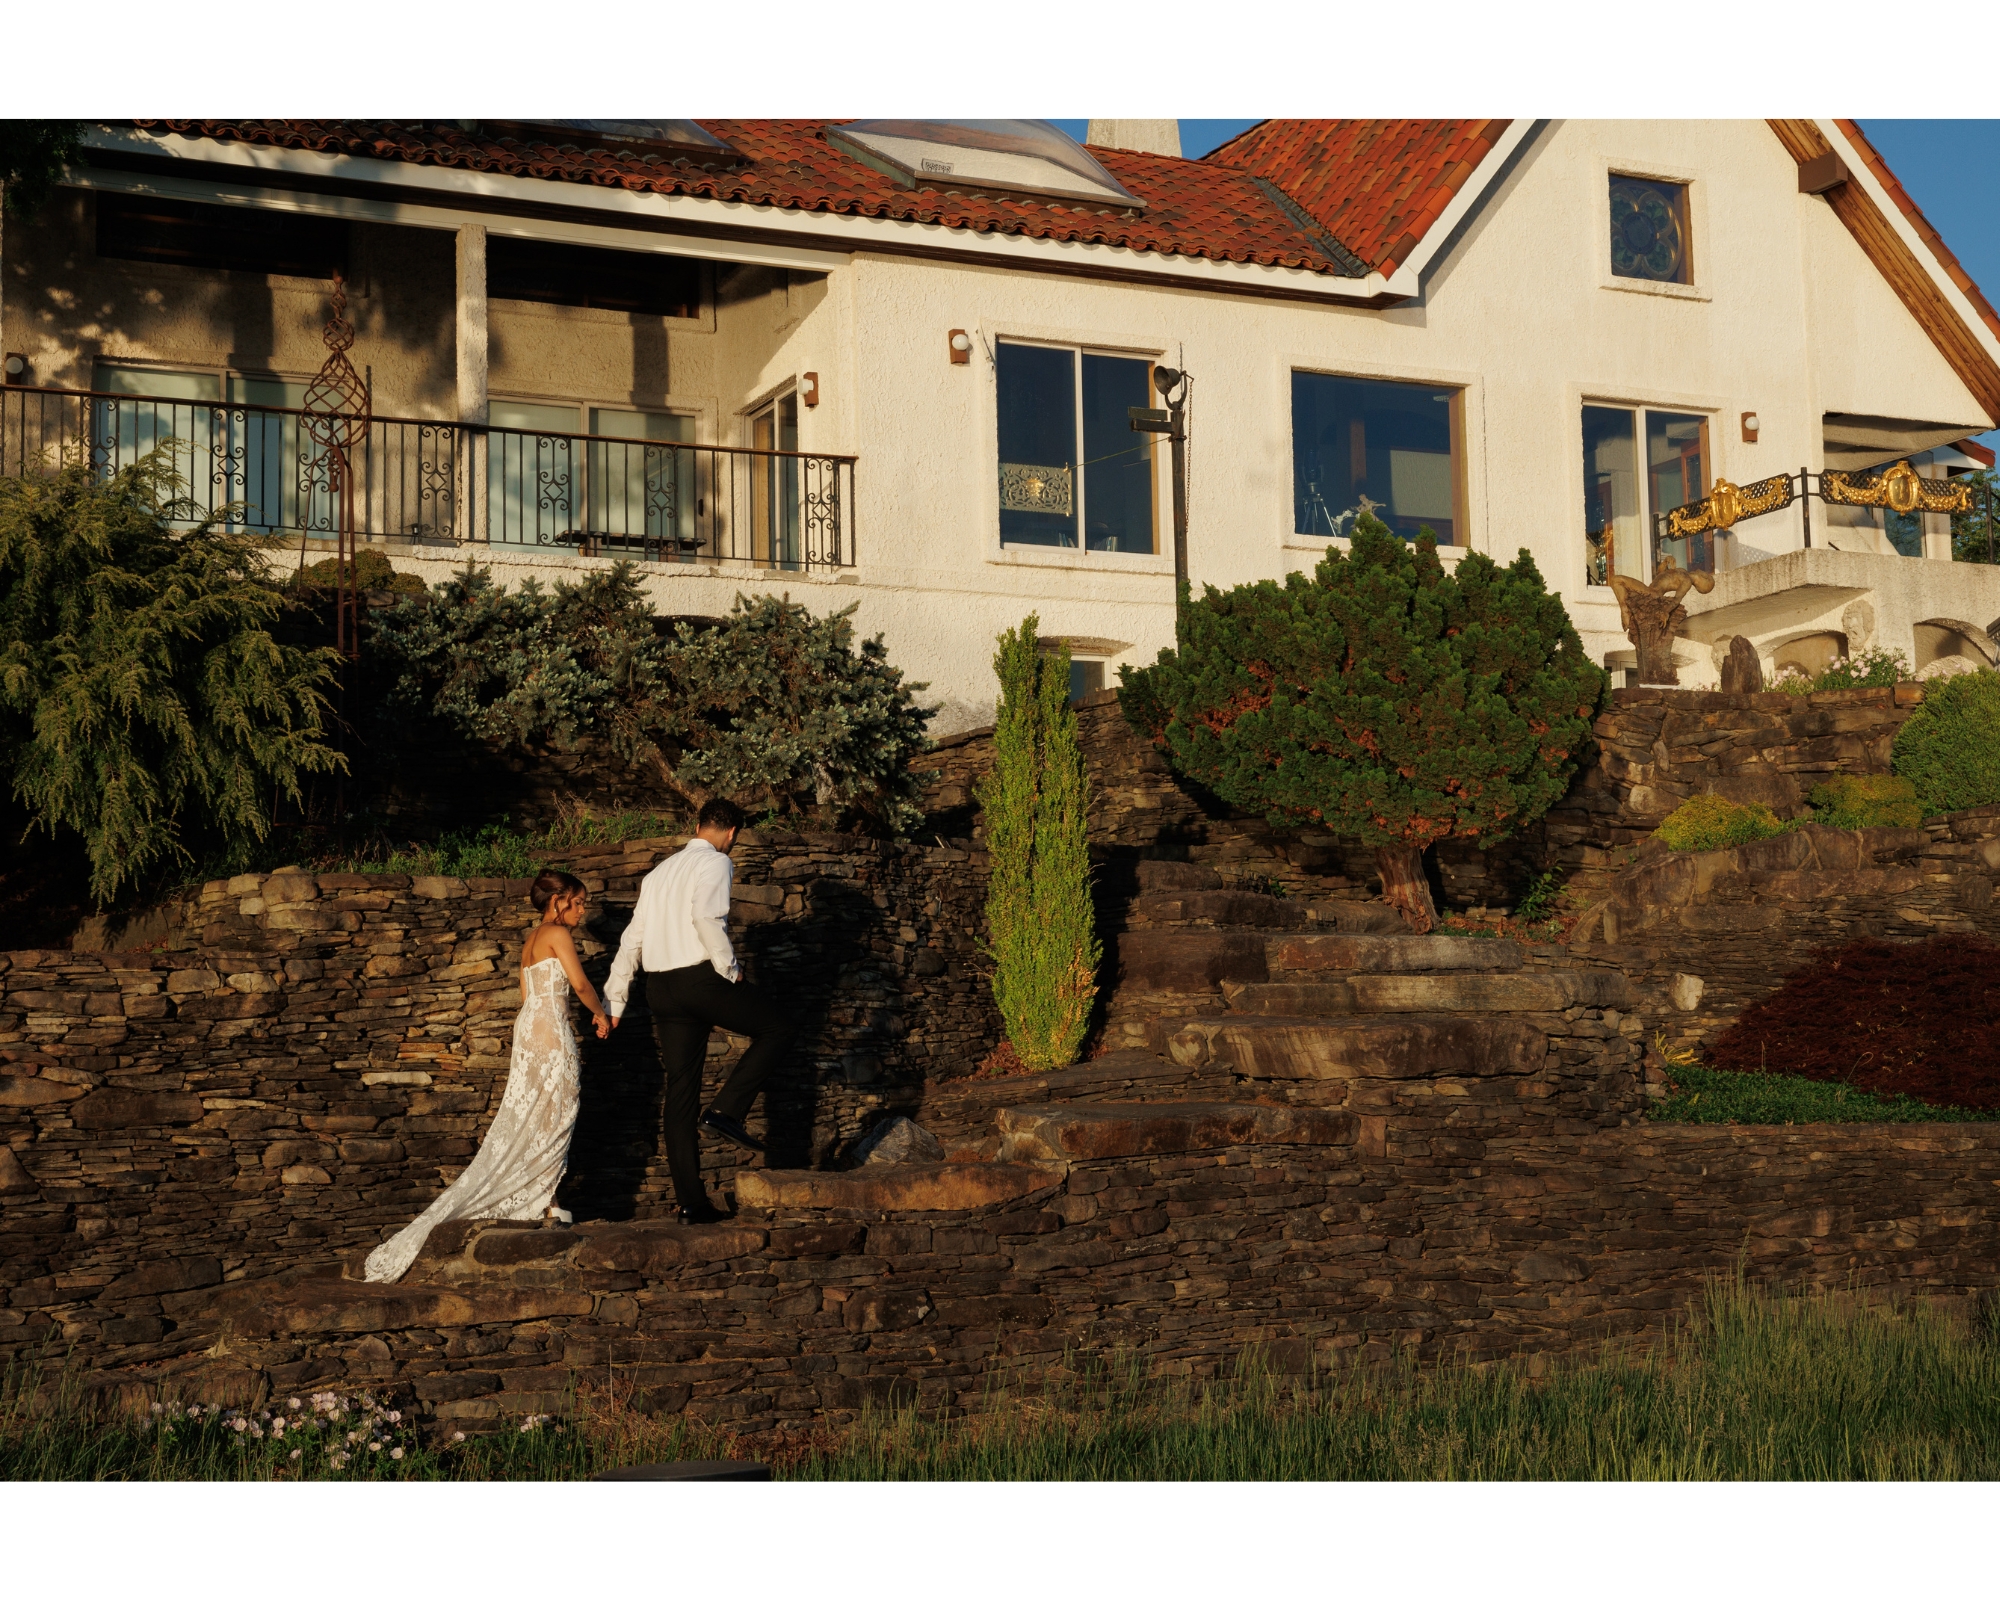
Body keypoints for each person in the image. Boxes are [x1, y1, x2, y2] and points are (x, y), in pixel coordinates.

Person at [362, 870, 611, 1283]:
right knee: (556, 1112)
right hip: (549, 1028)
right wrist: (599, 1014)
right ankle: (545, 1200)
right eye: (579, 902)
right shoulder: (558, 935)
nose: (582, 911)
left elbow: (525, 996)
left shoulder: (530, 940)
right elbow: (580, 983)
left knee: (534, 1112)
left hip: (528, 1025)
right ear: (560, 900)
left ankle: (547, 1196)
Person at [606, 796, 794, 1224]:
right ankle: (727, 1111)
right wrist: (730, 969)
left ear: (698, 823)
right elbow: (706, 918)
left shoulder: (657, 874)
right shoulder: (716, 862)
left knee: (681, 1093)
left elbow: (631, 939)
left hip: (660, 989)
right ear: (732, 833)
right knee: (780, 1029)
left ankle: (693, 1203)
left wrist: (615, 1000)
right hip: (699, 980)